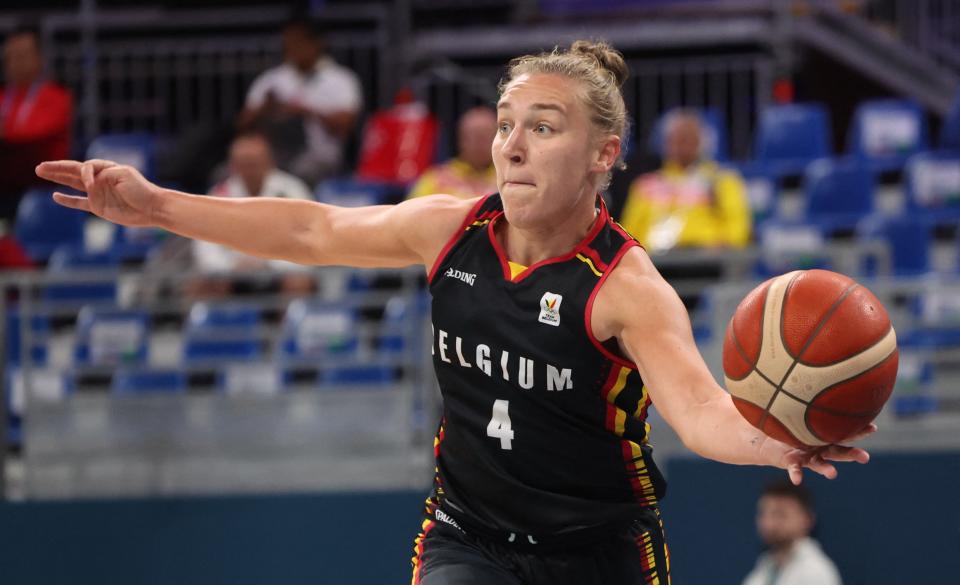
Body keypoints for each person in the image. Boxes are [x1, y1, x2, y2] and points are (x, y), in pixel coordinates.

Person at [37, 40, 872, 585]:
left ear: (604, 154)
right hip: (467, 537)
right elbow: (311, 226)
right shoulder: (450, 227)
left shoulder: (625, 284)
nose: (511, 144)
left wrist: (773, 437)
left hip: (598, 553)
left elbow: (697, 413)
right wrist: (157, 209)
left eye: (542, 128)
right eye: (507, 124)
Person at [189, 131, 315, 299]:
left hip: (281, 270)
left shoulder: (292, 190)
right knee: (200, 285)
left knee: (299, 282)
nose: (250, 170)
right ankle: (219, 325)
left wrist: (267, 264)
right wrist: (229, 268)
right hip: (232, 271)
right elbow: (205, 244)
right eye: (244, 164)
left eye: (255, 163)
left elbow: (306, 240)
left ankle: (288, 324)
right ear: (233, 165)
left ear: (270, 162)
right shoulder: (219, 194)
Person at [238, 16, 362, 185]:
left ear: (316, 43)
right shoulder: (271, 80)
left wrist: (306, 112)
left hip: (318, 155)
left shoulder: (341, 80)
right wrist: (265, 108)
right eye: (288, 42)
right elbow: (242, 125)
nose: (292, 47)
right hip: (273, 154)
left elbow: (345, 126)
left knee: (299, 173)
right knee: (226, 173)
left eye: (299, 42)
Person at [619, 109, 751, 254]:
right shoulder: (646, 185)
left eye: (690, 138)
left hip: (707, 262)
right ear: (666, 143)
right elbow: (628, 233)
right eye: (678, 139)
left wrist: (722, 246)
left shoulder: (722, 181)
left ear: (703, 142)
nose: (684, 145)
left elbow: (738, 229)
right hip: (654, 262)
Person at [0, 26, 73, 222]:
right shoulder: (2, 98)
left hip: (45, 192)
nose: (15, 63)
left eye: (22, 56)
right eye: (10, 57)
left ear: (39, 59)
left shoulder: (57, 97)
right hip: (4, 190)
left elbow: (32, 136)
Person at [742, 481, 842, 585]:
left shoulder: (816, 572)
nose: (769, 523)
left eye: (780, 514)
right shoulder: (763, 568)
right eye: (764, 513)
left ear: (807, 519)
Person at [407, 106, 498, 200]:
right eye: (473, 137)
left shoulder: (508, 178)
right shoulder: (434, 179)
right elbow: (411, 212)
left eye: (485, 137)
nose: (478, 144)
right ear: (461, 139)